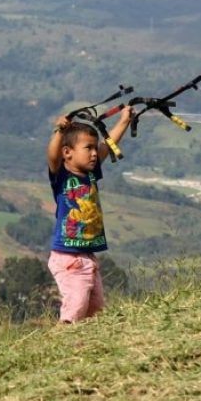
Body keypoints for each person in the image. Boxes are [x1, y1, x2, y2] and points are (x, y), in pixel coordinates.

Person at [45, 106, 133, 323]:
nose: (94, 153)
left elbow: (108, 146)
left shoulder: (91, 173)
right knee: (75, 305)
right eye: (88, 148)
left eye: (95, 148)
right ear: (68, 153)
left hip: (87, 256)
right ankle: (62, 344)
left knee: (95, 309)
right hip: (68, 257)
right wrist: (59, 130)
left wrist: (124, 121)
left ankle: (83, 348)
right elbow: (52, 155)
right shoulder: (61, 175)